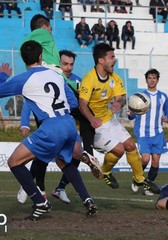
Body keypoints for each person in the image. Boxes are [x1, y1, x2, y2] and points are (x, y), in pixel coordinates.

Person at [0, 40, 97, 221]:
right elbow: (74, 102)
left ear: (23, 59)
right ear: (40, 57)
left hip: (51, 126)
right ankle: (87, 198)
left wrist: (3, 75)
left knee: (14, 162)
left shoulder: (24, 79)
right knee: (63, 162)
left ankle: (40, 202)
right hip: (68, 123)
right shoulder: (56, 74)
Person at [78, 43, 160, 194]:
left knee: (130, 145)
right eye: (111, 57)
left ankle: (140, 179)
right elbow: (82, 104)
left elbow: (121, 98)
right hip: (94, 125)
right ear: (101, 60)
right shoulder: (89, 79)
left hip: (109, 119)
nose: (115, 60)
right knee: (119, 150)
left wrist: (119, 103)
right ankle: (105, 171)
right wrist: (91, 119)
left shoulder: (114, 77)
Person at [128, 69, 168, 195]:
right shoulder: (139, 96)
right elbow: (132, 114)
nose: (152, 80)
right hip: (143, 132)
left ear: (157, 80)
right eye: (149, 78)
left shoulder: (163, 96)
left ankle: (148, 187)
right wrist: (130, 115)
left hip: (158, 133)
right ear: (146, 80)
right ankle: (137, 179)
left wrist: (167, 117)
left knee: (155, 161)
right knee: (145, 159)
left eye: (154, 78)